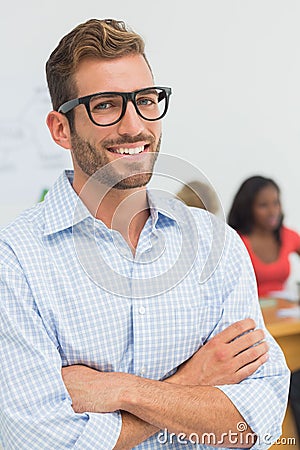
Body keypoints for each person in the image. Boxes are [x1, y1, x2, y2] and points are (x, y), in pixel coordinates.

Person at [0, 19, 289, 450]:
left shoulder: (215, 242)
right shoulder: (15, 259)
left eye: (146, 100)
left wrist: (123, 391)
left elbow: (257, 423)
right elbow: (39, 439)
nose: (134, 126)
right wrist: (193, 382)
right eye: (105, 105)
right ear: (61, 129)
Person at [227, 175, 300, 298]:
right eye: (263, 205)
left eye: (276, 203)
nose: (273, 212)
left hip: (283, 313)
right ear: (247, 208)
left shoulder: (288, 235)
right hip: (250, 314)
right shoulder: (235, 242)